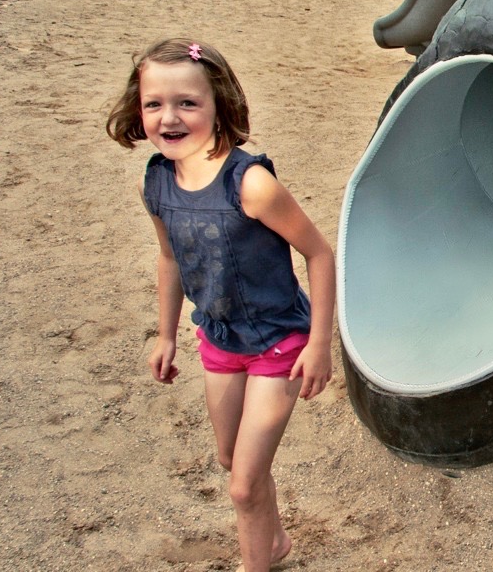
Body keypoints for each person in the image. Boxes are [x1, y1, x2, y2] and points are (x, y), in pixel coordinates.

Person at [106, 38, 335, 572]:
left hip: (279, 342)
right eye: (154, 104)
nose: (170, 117)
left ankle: (257, 562)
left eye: (187, 102)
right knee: (232, 459)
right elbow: (170, 259)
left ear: (219, 104)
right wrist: (165, 334)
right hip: (219, 339)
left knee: (242, 486)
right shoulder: (157, 181)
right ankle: (273, 540)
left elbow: (319, 254)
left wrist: (320, 344)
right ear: (138, 111)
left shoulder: (251, 184)